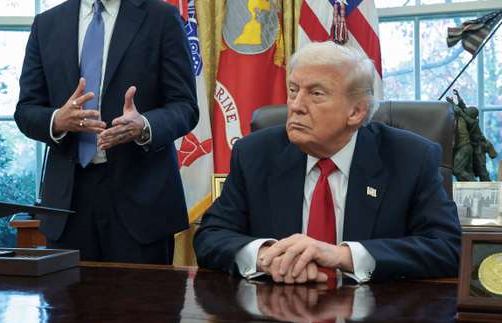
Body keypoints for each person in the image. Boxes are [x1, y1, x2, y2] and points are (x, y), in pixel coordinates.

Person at [14, 0, 199, 264]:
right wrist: (58, 120)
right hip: (68, 207)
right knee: (67, 321)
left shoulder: (162, 19)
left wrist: (144, 125)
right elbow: (26, 110)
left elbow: (185, 108)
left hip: (142, 206)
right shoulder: (47, 25)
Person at [193, 42, 461, 283]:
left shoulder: (410, 158)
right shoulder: (255, 153)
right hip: (277, 317)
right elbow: (211, 236)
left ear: (356, 112)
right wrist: (266, 256)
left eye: (316, 94)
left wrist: (343, 256)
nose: (296, 105)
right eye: (293, 90)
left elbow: (448, 249)